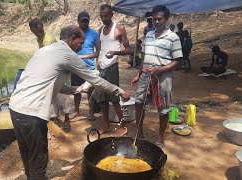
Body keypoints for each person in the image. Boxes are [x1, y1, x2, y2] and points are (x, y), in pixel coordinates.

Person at [9, 25, 130, 180]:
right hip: (32, 113)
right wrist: (120, 91)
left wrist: (77, 89)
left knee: (27, 152)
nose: (80, 47)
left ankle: (31, 176)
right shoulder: (67, 54)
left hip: (15, 107)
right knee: (39, 158)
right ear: (72, 38)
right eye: (80, 43)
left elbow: (54, 84)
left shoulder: (45, 50)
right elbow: (96, 80)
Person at [131, 5, 183, 148]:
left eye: (159, 19)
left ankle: (160, 136)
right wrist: (138, 74)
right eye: (154, 19)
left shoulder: (173, 38)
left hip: (163, 77)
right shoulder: (149, 34)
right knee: (139, 103)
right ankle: (139, 133)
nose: (157, 22)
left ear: (166, 19)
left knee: (163, 108)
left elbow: (178, 61)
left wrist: (160, 70)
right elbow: (144, 58)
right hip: (146, 75)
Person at [92, 4, 132, 136]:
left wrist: (115, 52)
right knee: (102, 100)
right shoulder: (100, 30)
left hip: (112, 68)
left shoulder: (119, 28)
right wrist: (98, 63)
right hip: (102, 68)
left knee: (115, 99)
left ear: (111, 15)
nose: (104, 18)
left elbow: (128, 50)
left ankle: (122, 126)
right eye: (102, 16)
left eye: (106, 16)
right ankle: (107, 125)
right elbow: (99, 50)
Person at [70, 11, 100, 121]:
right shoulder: (73, 33)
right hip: (75, 67)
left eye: (86, 21)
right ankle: (77, 111)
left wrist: (82, 57)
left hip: (89, 67)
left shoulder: (94, 34)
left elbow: (97, 52)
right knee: (76, 90)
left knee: (90, 91)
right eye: (82, 21)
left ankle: (91, 112)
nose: (84, 23)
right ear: (78, 21)